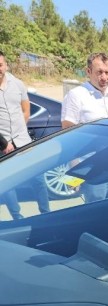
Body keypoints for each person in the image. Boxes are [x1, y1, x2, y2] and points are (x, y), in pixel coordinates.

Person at [62, 52, 108, 203]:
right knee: (95, 214)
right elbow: (67, 133)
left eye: (107, 72)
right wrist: (75, 173)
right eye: (99, 72)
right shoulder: (76, 96)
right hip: (92, 169)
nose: (104, 77)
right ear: (88, 71)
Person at [0, 51, 49, 219]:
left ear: (6, 65)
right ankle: (17, 217)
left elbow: (26, 110)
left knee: (38, 179)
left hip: (24, 141)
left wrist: (19, 132)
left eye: (0, 65)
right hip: (2, 144)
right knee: (7, 183)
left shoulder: (18, 84)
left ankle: (46, 213)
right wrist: (4, 143)